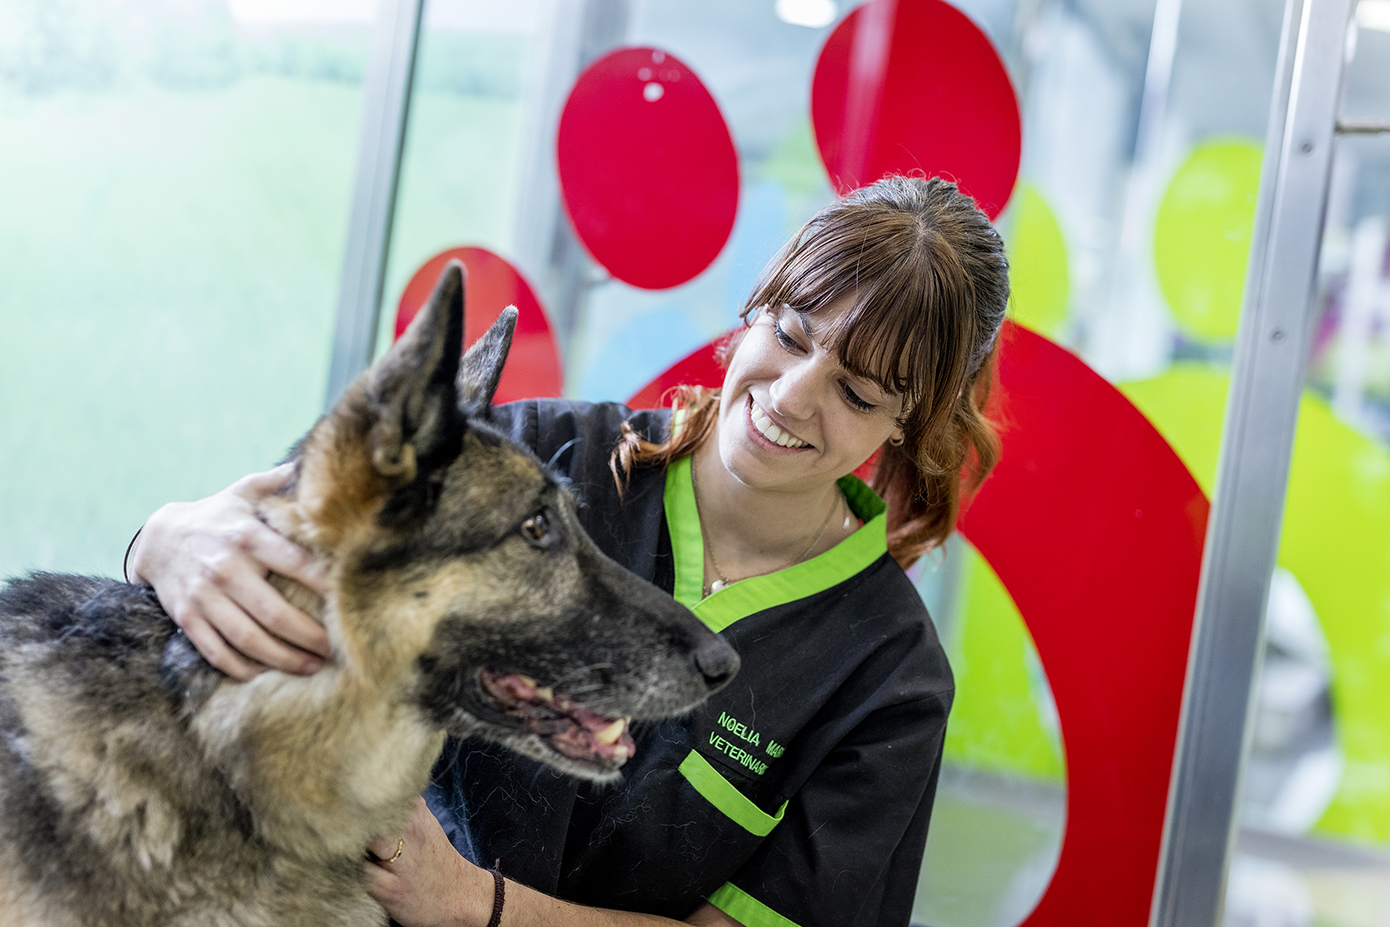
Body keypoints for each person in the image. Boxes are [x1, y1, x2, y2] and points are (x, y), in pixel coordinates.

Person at [128, 175, 1010, 927]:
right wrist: (163, 539)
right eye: (788, 332)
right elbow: (280, 546)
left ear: (912, 425)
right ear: (755, 309)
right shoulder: (537, 456)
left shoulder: (888, 676)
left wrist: (477, 903)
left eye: (856, 391)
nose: (790, 393)